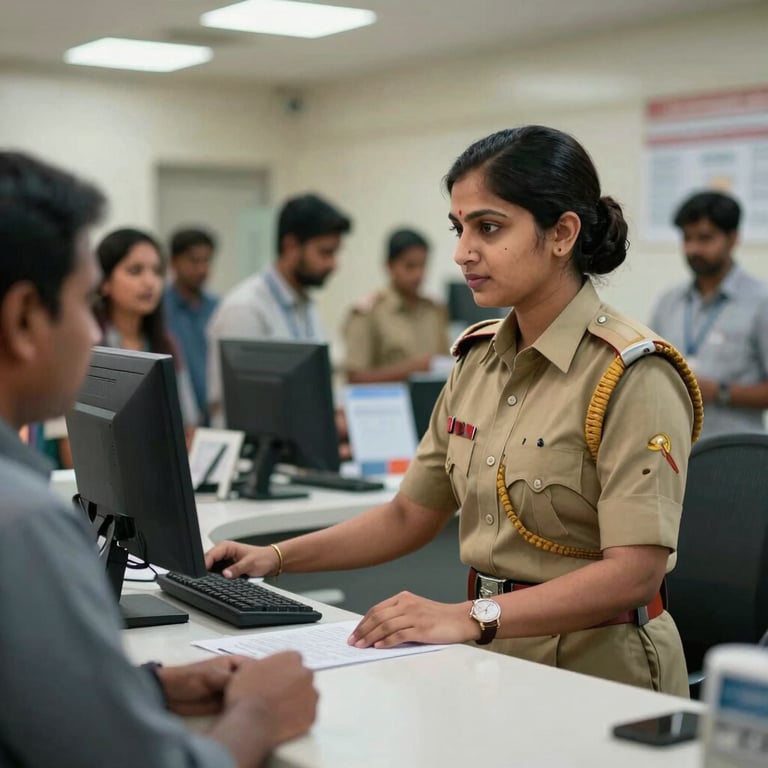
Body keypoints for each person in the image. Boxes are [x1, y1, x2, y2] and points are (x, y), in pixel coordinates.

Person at [206, 125, 702, 697]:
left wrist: (468, 617)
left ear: (562, 233)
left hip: (602, 670)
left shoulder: (632, 372)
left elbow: (634, 574)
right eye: (459, 228)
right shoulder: (477, 360)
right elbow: (408, 516)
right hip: (491, 659)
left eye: (488, 228)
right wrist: (273, 557)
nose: (463, 251)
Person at [0, 152, 317, 766]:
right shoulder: (23, 525)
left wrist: (143, 687)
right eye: (82, 301)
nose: (93, 336)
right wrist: (259, 712)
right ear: (22, 319)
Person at [206, 193, 351, 423]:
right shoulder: (246, 309)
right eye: (325, 252)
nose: (333, 264)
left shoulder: (305, 304)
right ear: (291, 246)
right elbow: (243, 407)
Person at [650, 191, 768, 439]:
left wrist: (719, 392)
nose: (693, 249)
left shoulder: (760, 302)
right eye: (687, 238)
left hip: (735, 455)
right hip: (674, 451)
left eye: (705, 238)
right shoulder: (669, 301)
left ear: (733, 238)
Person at [96, 228, 199, 429]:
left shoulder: (167, 343)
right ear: (104, 282)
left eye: (157, 271)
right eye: (135, 270)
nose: (150, 282)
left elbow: (188, 427)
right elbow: (72, 449)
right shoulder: (85, 344)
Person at [342, 228, 450, 383]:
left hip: (432, 403)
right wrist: (412, 370)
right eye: (410, 266)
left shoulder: (434, 310)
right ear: (389, 266)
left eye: (423, 265)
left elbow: (444, 367)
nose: (418, 274)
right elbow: (354, 377)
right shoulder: (369, 312)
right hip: (385, 404)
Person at [164, 227, 219, 425]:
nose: (202, 269)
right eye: (194, 261)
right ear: (173, 262)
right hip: (175, 419)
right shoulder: (159, 310)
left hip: (214, 419)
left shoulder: (217, 308)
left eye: (207, 261)